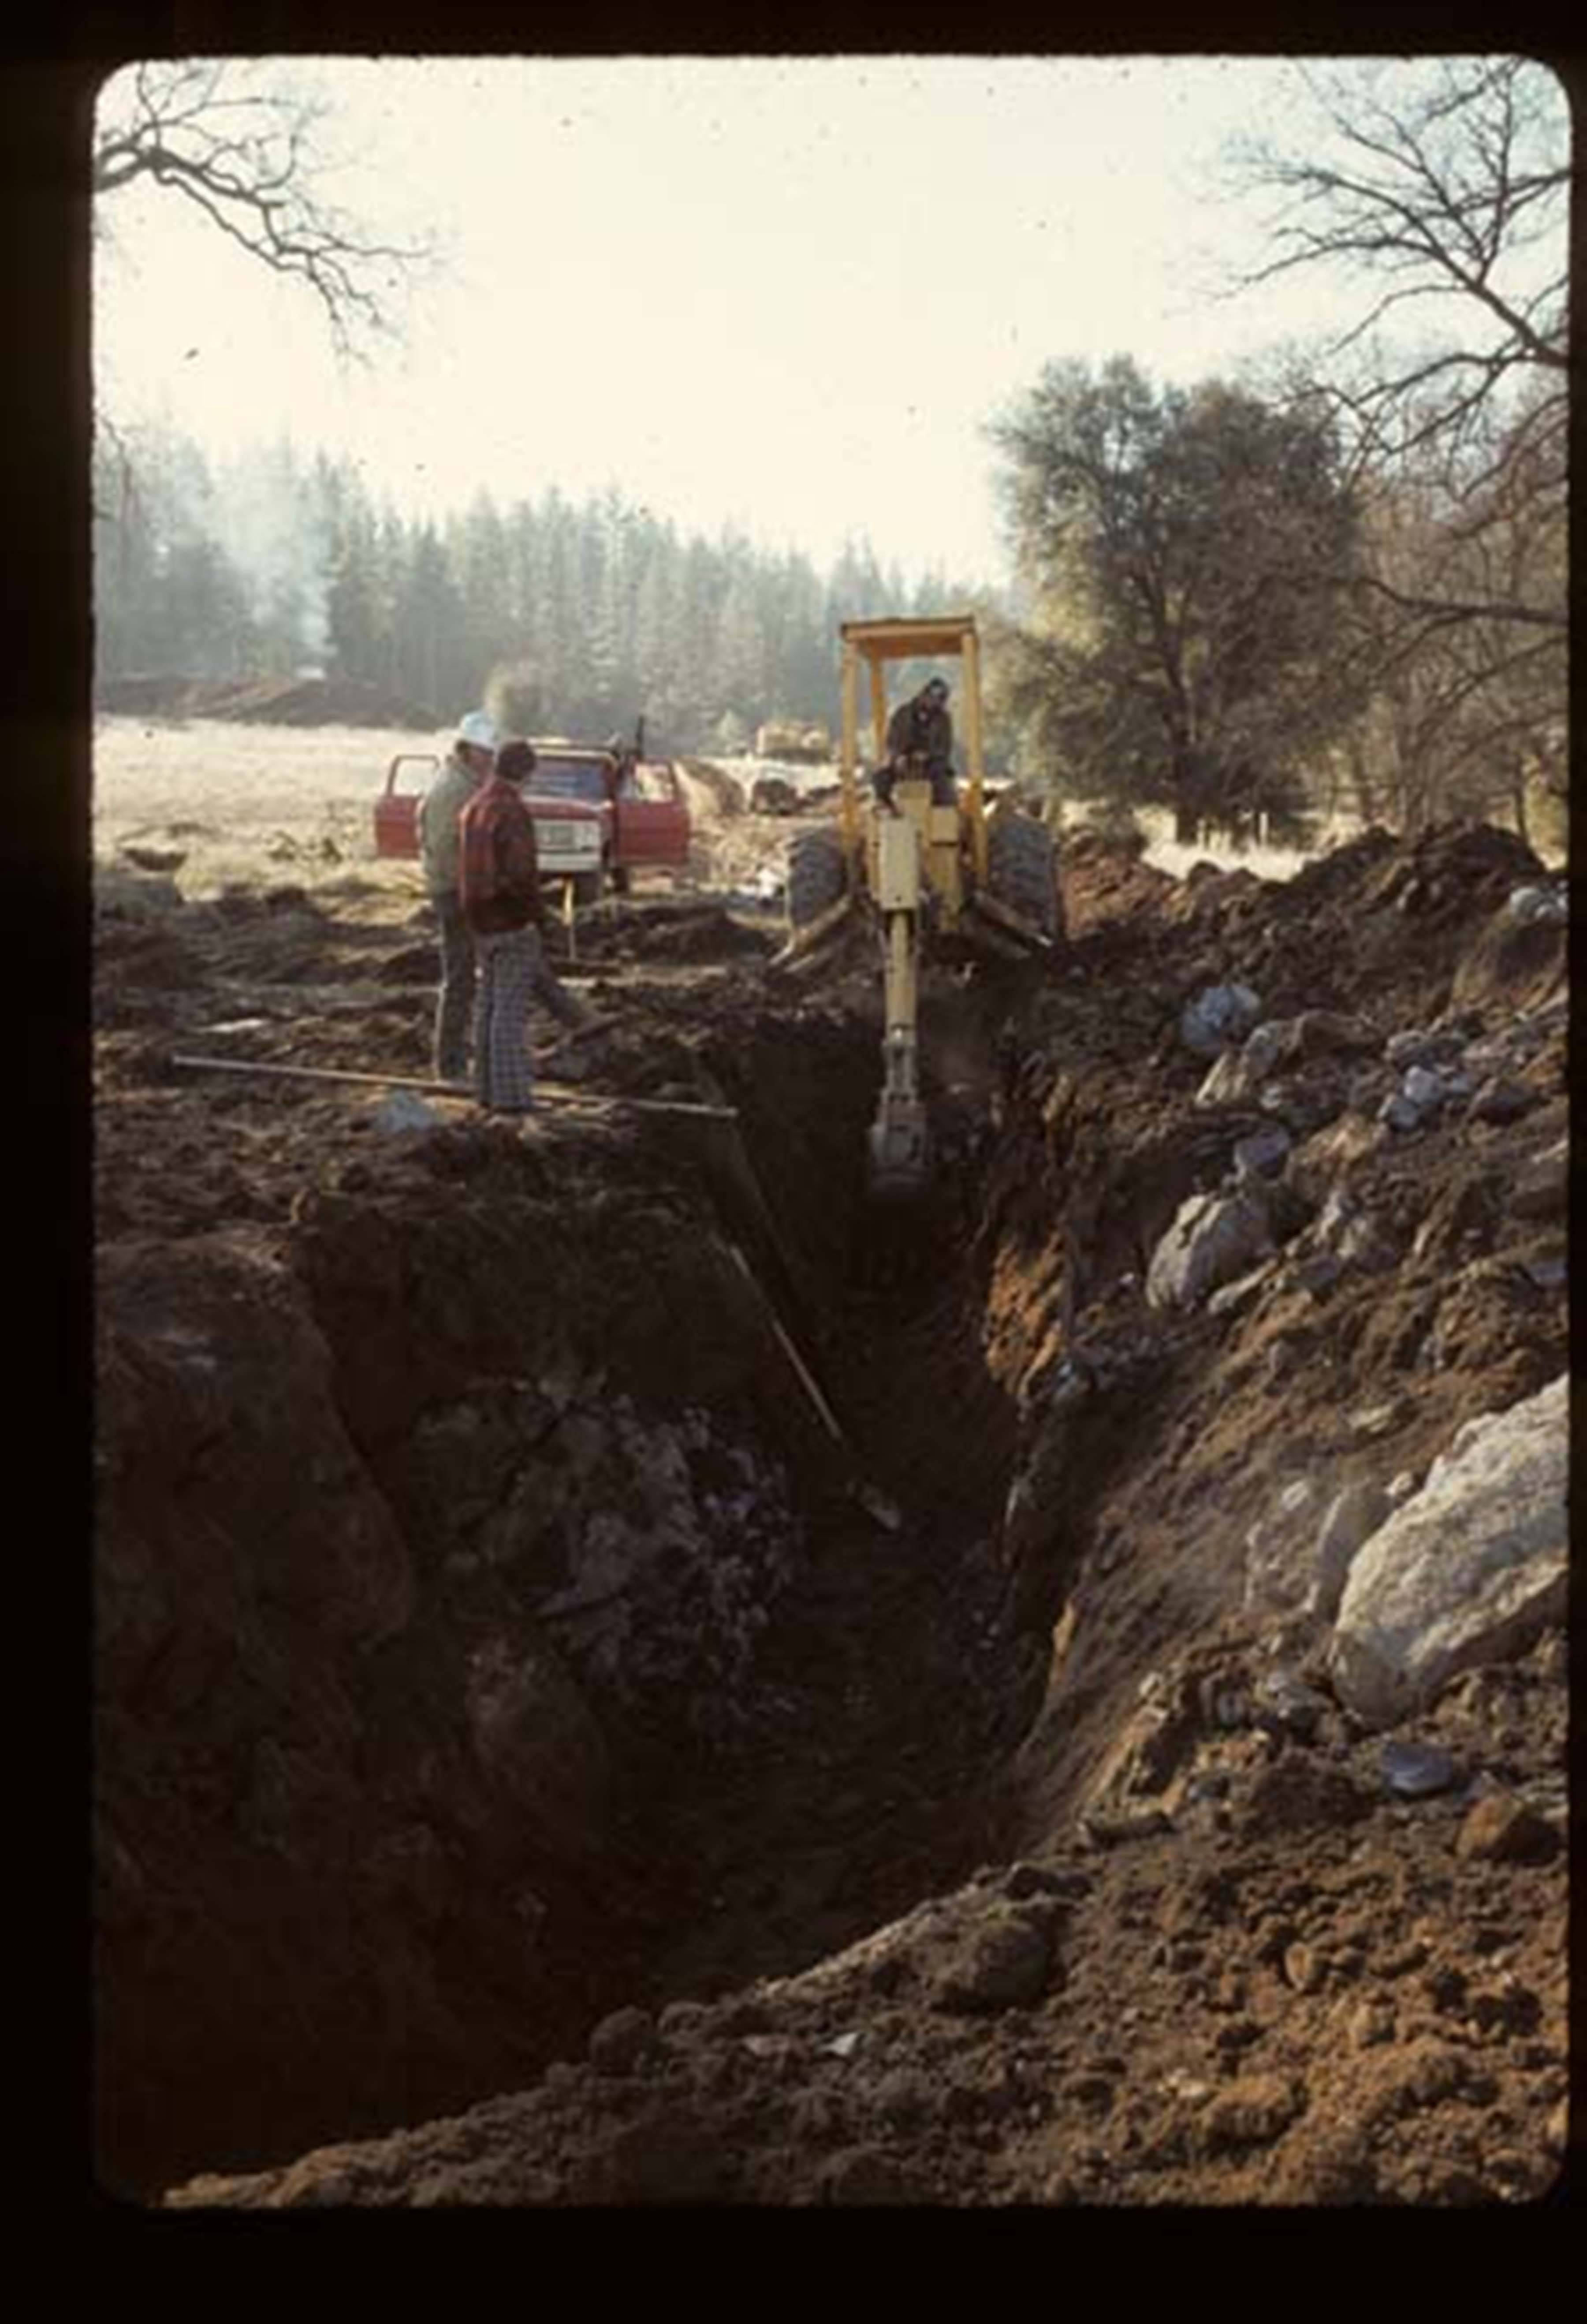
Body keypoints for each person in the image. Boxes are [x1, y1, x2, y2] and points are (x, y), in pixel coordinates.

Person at [459, 739, 598, 1114]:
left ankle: (486, 1092)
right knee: (509, 1011)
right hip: (509, 920)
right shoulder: (512, 811)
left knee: (488, 1005)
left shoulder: (474, 806)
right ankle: (512, 1100)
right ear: (526, 773)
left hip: (479, 920)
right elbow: (520, 877)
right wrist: (540, 917)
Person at [418, 708, 500, 1082]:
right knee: (461, 978)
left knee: (468, 976)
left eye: (492, 755)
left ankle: (458, 1057)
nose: (489, 761)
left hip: (458, 890)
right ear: (467, 750)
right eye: (485, 754)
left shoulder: (462, 782)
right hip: (456, 894)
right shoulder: (455, 789)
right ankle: (450, 1066)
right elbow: (445, 848)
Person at [874, 675, 957, 809]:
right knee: (881, 777)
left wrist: (928, 755)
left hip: (932, 764)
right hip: (904, 761)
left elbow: (945, 747)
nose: (933, 702)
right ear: (924, 694)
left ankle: (941, 816)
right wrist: (899, 756)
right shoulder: (902, 714)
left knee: (944, 783)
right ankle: (888, 809)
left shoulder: (944, 720)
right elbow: (892, 740)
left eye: (939, 699)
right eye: (931, 697)